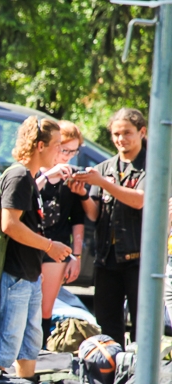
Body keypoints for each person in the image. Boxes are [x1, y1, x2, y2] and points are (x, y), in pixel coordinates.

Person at [0, 117, 70, 379]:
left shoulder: (30, 177)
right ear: (40, 146)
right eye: (57, 145)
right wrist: (49, 246)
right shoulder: (19, 176)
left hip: (29, 275)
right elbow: (9, 224)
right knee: (6, 344)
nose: (60, 152)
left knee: (29, 343)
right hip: (15, 275)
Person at [73, 108, 147, 345]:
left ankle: (139, 368)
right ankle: (112, 367)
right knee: (107, 323)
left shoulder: (152, 166)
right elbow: (94, 213)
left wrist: (103, 183)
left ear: (142, 132)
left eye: (127, 133)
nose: (120, 139)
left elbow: (139, 200)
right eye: (116, 134)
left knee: (142, 324)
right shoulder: (105, 168)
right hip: (106, 257)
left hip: (139, 258)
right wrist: (83, 194)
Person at [37, 120, 86, 344]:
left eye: (73, 152)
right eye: (64, 150)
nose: (67, 157)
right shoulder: (36, 170)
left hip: (57, 246)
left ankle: (39, 354)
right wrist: (48, 175)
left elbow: (78, 219)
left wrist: (76, 256)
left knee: (45, 308)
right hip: (29, 243)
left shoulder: (72, 176)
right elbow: (23, 194)